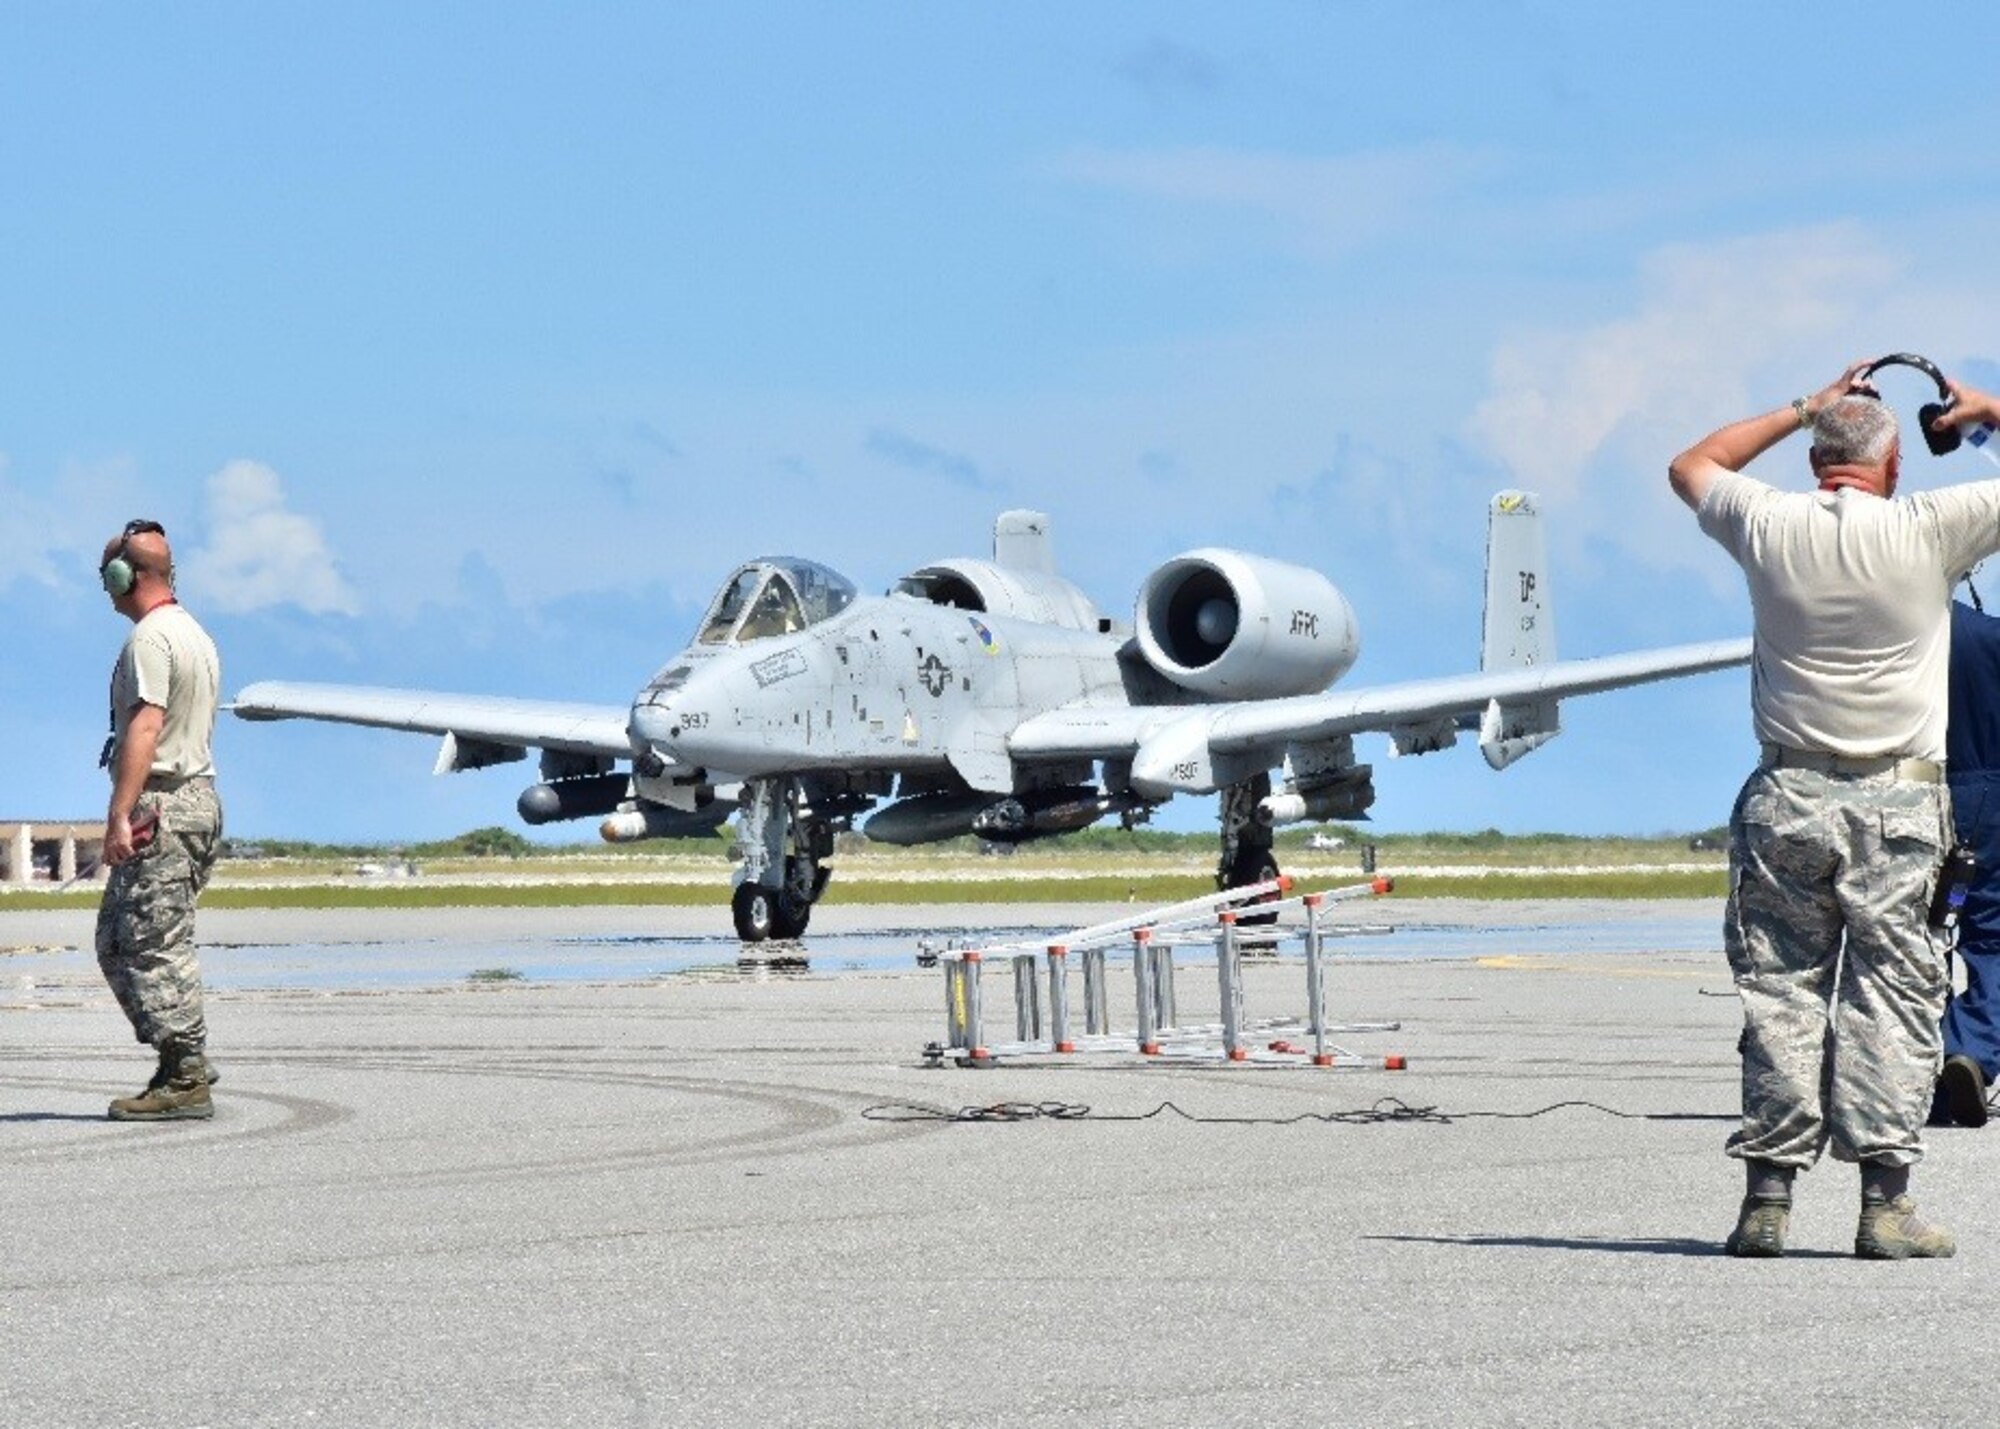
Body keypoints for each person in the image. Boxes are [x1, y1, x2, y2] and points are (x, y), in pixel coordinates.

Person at [1668, 360, 2000, 1260]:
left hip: (1786, 795)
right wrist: (1985, 411)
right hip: (1897, 802)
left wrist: (1806, 404)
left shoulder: (1769, 523)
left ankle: (1767, 1200)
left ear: (1818, 458)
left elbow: (1691, 463)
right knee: (1890, 998)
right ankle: (1885, 1206)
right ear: (1892, 467)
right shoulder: (1928, 527)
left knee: (1781, 993)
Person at [95, 519, 223, 1121]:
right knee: (120, 942)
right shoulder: (191, 632)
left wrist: (121, 812)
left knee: (152, 945)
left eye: (107, 574)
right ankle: (176, 1063)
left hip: (165, 803)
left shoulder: (151, 639)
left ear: (127, 574)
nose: (104, 587)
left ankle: (187, 1074)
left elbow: (145, 726)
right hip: (191, 799)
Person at [1932, 380, 2000, 1128]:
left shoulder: (1897, 638)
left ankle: (1906, 1057)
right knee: (1990, 933)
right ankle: (1973, 1048)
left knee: (1906, 932)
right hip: (1990, 796)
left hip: (1912, 787)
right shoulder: (1988, 637)